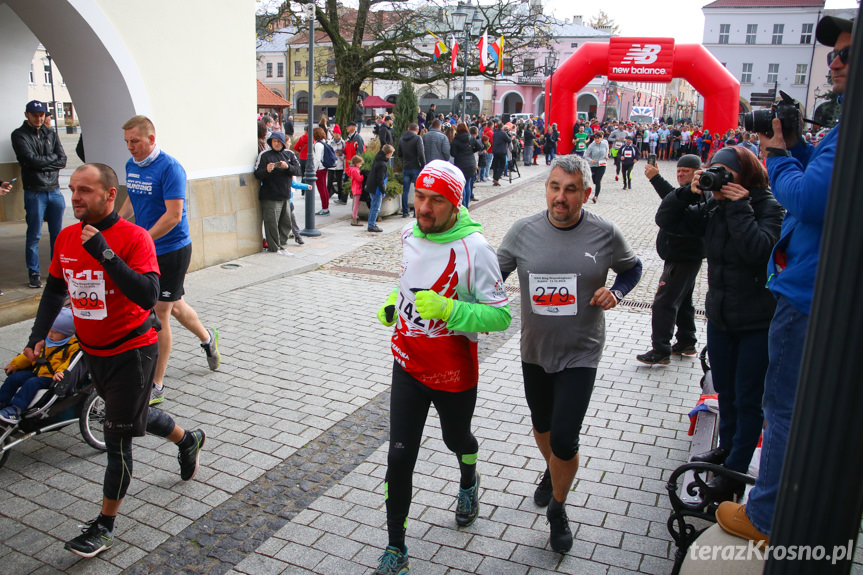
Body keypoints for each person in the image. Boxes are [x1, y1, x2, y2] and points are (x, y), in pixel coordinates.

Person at [716, 14, 851, 544]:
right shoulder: (843, 134)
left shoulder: (767, 199)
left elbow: (810, 199)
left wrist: (775, 157)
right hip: (797, 294)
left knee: (781, 405)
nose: (834, 62)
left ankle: (767, 514)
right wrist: (797, 150)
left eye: (843, 53)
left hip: (803, 293)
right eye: (833, 53)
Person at [29, 162, 206, 558]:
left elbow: (149, 294)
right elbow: (56, 289)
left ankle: (104, 527)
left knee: (117, 437)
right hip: (93, 352)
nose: (75, 197)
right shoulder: (66, 238)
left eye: (85, 190)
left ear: (110, 195)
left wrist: (106, 255)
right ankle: (188, 439)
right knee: (129, 417)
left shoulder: (133, 238)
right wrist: (37, 336)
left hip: (133, 352)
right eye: (72, 189)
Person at [497, 155, 643, 553]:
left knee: (564, 437)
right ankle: (552, 470)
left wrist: (617, 292)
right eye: (554, 187)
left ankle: (558, 508)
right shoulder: (523, 231)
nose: (560, 198)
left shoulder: (605, 234)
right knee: (542, 426)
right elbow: (492, 278)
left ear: (587, 193)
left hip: (582, 351)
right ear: (546, 187)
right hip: (535, 350)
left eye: (571, 190)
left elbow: (633, 268)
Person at [373, 160, 511, 575]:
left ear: (456, 204)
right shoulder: (407, 233)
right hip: (407, 363)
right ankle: (396, 547)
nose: (424, 209)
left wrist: (450, 309)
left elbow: (501, 316)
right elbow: (410, 281)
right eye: (420, 197)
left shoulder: (476, 248)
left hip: (452, 373)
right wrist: (396, 306)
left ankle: (469, 479)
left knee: (457, 439)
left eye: (437, 201)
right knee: (399, 459)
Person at [657, 146, 783, 503]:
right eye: (716, 172)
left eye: (727, 174)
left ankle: (735, 472)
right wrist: (688, 190)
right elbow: (667, 219)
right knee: (725, 391)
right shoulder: (713, 206)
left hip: (757, 321)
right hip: (722, 317)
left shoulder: (767, 207)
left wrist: (739, 206)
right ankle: (726, 450)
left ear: (747, 176)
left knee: (748, 397)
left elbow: (758, 251)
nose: (721, 180)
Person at [117, 116, 220, 406]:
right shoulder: (131, 166)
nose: (130, 147)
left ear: (151, 138)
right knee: (174, 307)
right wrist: (114, 221)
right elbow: (132, 200)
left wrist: (143, 240)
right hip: (147, 247)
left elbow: (173, 216)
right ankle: (207, 338)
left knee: (160, 312)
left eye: (135, 141)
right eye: (126, 142)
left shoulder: (171, 168)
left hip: (172, 250)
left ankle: (157, 385)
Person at [637, 155, 705, 364]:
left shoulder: (701, 193)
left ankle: (661, 349)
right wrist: (655, 179)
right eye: (678, 170)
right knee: (683, 300)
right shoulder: (689, 193)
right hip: (683, 255)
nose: (681, 174)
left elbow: (673, 205)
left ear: (698, 171)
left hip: (684, 255)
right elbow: (674, 198)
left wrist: (656, 179)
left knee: (664, 302)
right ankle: (686, 340)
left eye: (686, 171)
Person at [11, 100, 67, 289]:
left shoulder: (50, 133)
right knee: (34, 235)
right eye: (35, 115)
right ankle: (34, 273)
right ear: (27, 115)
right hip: (34, 191)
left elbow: (63, 159)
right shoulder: (19, 135)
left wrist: (43, 162)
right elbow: (30, 160)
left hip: (55, 190)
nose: (39, 118)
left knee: (57, 235)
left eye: (42, 114)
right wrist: (50, 160)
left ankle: (56, 271)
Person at [0, 307, 78, 424]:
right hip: (38, 370)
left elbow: (70, 362)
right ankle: (2, 401)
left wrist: (60, 372)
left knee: (32, 383)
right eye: (49, 330)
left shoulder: (72, 346)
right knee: (14, 378)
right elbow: (29, 355)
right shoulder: (45, 340)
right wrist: (14, 364)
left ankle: (15, 409)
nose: (50, 334)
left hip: (51, 377)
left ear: (66, 334)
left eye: (54, 332)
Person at [254, 131, 305, 254]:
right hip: (270, 195)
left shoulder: (289, 154)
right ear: (271, 142)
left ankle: (283, 246)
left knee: (286, 223)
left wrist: (287, 167)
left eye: (278, 141)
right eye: (274, 141)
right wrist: (266, 170)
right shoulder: (264, 155)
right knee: (271, 223)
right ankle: (274, 248)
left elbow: (298, 170)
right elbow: (257, 173)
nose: (276, 144)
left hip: (286, 195)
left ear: (283, 142)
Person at [450, 123, 483, 209]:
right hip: (470, 163)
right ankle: (466, 205)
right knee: (468, 184)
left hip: (460, 164)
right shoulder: (471, 138)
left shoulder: (456, 140)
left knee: (462, 185)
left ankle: (463, 205)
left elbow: (453, 153)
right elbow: (480, 147)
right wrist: (472, 150)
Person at [397, 122, 426, 218]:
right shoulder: (418, 138)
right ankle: (415, 212)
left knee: (405, 190)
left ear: (408, 129)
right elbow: (421, 153)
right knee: (417, 191)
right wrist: (423, 165)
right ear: (417, 130)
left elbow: (399, 154)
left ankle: (405, 211)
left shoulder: (402, 139)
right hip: (416, 167)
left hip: (406, 167)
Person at [367, 144, 393, 233]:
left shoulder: (378, 158)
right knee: (375, 207)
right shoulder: (382, 164)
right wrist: (383, 191)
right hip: (376, 188)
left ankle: (372, 223)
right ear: (388, 153)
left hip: (372, 186)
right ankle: (371, 225)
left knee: (373, 206)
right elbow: (380, 179)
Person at [584, 131, 609, 204]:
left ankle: (595, 196)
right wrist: (591, 160)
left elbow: (607, 150)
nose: (597, 140)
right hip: (593, 165)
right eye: (595, 138)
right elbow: (586, 156)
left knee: (598, 181)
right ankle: (597, 184)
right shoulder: (591, 145)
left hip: (602, 164)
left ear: (601, 138)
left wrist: (607, 156)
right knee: (594, 180)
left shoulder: (605, 144)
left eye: (598, 138)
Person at [312, 127, 330, 216]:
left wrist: (314, 170)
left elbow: (317, 158)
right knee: (324, 188)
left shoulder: (317, 144)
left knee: (321, 189)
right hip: (324, 167)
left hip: (319, 169)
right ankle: (325, 207)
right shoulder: (323, 142)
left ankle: (325, 208)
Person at [328, 125, 347, 205]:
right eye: (335, 133)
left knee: (339, 182)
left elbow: (345, 154)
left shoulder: (343, 143)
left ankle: (340, 196)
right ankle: (327, 195)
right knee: (329, 181)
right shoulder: (330, 142)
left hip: (339, 164)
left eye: (337, 134)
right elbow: (327, 153)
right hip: (331, 164)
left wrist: (340, 155)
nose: (336, 135)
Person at [345, 156, 365, 226]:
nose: (360, 165)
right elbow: (359, 179)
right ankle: (354, 218)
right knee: (356, 204)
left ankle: (355, 217)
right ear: (356, 163)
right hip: (357, 188)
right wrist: (364, 175)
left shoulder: (353, 169)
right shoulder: (354, 170)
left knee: (357, 204)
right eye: (360, 164)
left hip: (356, 188)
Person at [491, 122, 511, 186]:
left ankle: (495, 177)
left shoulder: (494, 133)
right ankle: (496, 178)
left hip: (495, 151)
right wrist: (509, 135)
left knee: (495, 165)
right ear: (502, 127)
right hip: (502, 151)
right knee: (502, 166)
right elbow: (509, 140)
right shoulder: (503, 133)